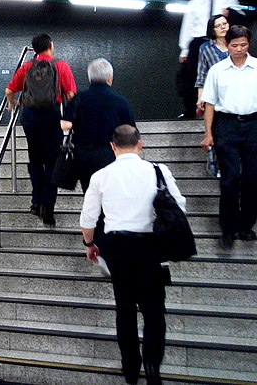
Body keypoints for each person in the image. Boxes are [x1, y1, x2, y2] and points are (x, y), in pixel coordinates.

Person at [80, 125, 186, 385]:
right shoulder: (158, 171)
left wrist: (90, 244)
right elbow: (179, 206)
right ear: (140, 143)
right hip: (150, 246)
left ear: (112, 146)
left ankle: (130, 367)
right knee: (154, 311)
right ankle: (152, 366)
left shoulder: (101, 176)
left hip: (118, 249)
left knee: (124, 309)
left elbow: (88, 218)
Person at [5, 33, 77, 226]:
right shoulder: (60, 66)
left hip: (30, 118)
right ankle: (48, 209)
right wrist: (72, 119)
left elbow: (9, 90)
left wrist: (13, 105)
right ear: (51, 46)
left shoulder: (27, 67)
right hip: (52, 117)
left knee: (35, 162)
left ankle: (36, 202)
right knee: (52, 163)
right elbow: (70, 95)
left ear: (34, 49)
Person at [200, 24, 257, 249]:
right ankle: (228, 229)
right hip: (227, 126)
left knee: (252, 180)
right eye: (235, 45)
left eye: (243, 45)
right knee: (230, 180)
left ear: (248, 44)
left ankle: (246, 226)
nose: (239, 49)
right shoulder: (217, 70)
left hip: (253, 125)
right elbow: (210, 104)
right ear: (227, 45)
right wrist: (208, 134)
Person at [61, 58, 136, 192]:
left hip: (83, 154)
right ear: (110, 78)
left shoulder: (78, 98)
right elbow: (131, 130)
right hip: (109, 153)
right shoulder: (120, 101)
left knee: (90, 192)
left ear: (90, 78)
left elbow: (65, 124)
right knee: (109, 193)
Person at [177, 0, 238, 119]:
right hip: (199, 41)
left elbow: (240, 17)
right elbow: (188, 26)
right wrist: (184, 50)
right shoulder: (194, 2)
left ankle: (228, 108)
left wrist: (231, 15)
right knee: (193, 77)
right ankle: (192, 110)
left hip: (223, 39)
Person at [195, 14, 230, 112]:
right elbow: (202, 75)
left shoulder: (236, 45)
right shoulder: (205, 48)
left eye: (225, 23)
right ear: (212, 30)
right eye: (218, 25)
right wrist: (200, 96)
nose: (223, 27)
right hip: (216, 93)